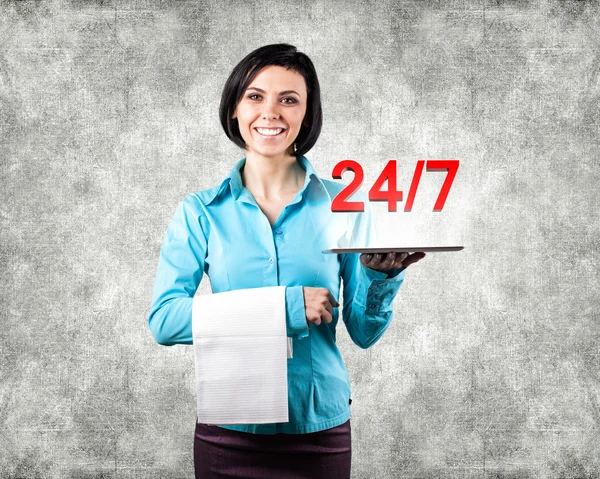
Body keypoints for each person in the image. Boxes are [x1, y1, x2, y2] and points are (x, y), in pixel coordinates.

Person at [148, 43, 425, 479]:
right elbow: (164, 321)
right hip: (228, 433)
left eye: (289, 99)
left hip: (318, 433)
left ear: (307, 115)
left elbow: (365, 333)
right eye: (255, 96)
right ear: (235, 109)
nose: (270, 112)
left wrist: (380, 277)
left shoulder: (345, 203)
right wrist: (287, 308)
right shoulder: (199, 211)